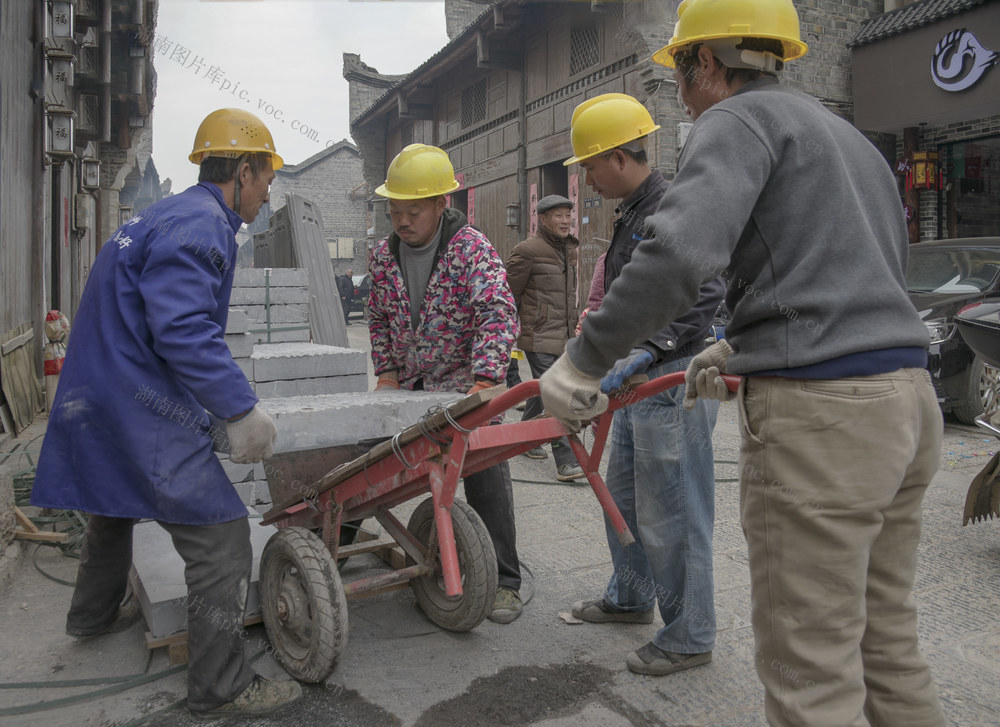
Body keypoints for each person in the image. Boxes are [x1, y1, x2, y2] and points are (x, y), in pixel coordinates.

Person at [539, 0, 945, 724]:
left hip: (827, 417)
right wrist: (744, 345)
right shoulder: (845, 136)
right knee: (888, 643)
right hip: (907, 400)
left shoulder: (733, 121)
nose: (682, 90)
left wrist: (582, 358)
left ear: (707, 62)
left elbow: (681, 256)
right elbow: (854, 275)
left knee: (809, 670)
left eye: (681, 70)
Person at [30, 108, 303, 719]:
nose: (267, 191)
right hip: (135, 400)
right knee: (223, 538)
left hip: (97, 389)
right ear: (242, 169)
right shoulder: (204, 224)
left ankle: (93, 615)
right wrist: (239, 409)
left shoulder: (168, 213)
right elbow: (181, 329)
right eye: (266, 177)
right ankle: (221, 687)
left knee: (112, 500)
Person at [559, 93, 725, 676]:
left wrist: (650, 348)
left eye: (589, 166)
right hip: (636, 381)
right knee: (624, 498)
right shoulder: (632, 210)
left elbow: (708, 290)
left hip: (670, 378)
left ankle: (689, 633)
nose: (586, 178)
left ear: (618, 156)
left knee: (673, 510)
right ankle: (631, 597)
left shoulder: (674, 206)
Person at [367, 143, 525, 624]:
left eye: (412, 210)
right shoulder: (383, 258)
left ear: (441, 203)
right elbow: (377, 318)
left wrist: (485, 379)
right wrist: (388, 373)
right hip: (411, 387)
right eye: (394, 211)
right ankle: (336, 545)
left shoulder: (470, 250)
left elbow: (497, 311)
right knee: (364, 466)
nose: (402, 221)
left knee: (483, 471)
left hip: (463, 384)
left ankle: (505, 582)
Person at [505, 194, 585, 481]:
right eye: (559, 216)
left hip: (563, 334)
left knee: (542, 390)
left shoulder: (570, 250)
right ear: (543, 218)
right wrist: (509, 332)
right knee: (555, 393)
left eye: (568, 215)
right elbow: (507, 293)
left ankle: (522, 437)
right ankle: (565, 459)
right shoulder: (527, 250)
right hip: (537, 335)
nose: (565, 221)